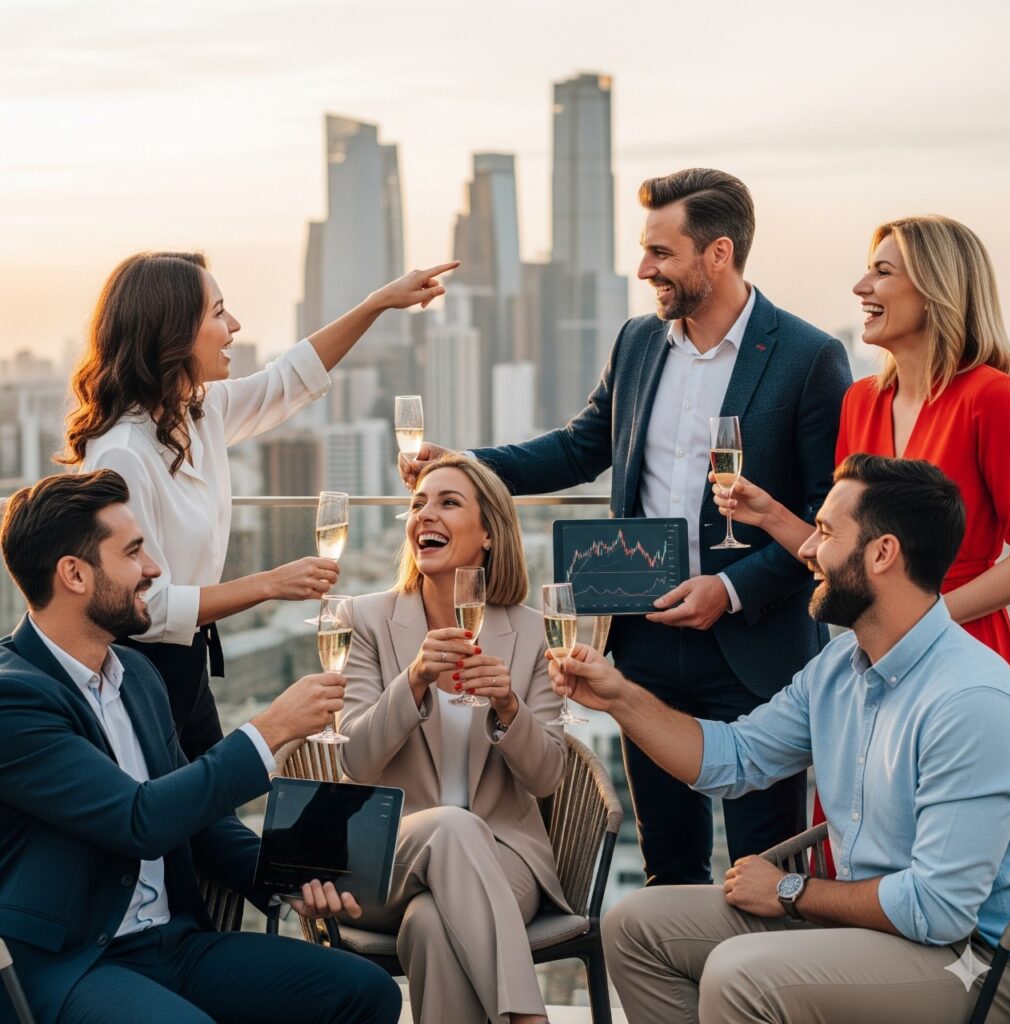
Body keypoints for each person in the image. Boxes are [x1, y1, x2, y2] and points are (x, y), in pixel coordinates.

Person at [401, 169, 852, 885]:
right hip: (641, 641)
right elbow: (581, 447)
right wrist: (463, 464)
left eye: (661, 254)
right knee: (669, 863)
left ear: (719, 254)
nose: (645, 270)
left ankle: (755, 995)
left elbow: (832, 517)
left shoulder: (808, 358)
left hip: (756, 648)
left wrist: (729, 591)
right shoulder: (639, 342)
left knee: (762, 868)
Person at [551, 454, 1010, 1023]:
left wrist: (791, 891)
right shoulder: (838, 668)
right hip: (866, 922)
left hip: (975, 963)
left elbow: (937, 909)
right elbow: (732, 759)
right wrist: (618, 698)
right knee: (635, 926)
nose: (805, 549)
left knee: (741, 974)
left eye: (825, 532)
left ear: (882, 553)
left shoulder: (970, 700)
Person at [0, 470, 402, 1024]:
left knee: (366, 991)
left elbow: (200, 822)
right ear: (75, 574)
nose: (154, 568)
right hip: (73, 964)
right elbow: (138, 819)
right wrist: (270, 730)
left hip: (172, 946)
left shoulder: (137, 675)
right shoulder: (13, 698)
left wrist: (290, 880)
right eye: (134, 552)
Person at [712, 215, 1010, 869]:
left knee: (943, 861)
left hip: (960, 653)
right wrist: (769, 514)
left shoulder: (990, 399)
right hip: (870, 661)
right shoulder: (861, 402)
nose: (861, 286)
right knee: (858, 845)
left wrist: (925, 623)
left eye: (883, 271)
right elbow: (846, 553)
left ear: (937, 288)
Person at [59, 251, 457, 760]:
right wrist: (271, 584)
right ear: (174, 333)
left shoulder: (196, 413)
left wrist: (378, 303)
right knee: (187, 817)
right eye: (218, 313)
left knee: (208, 815)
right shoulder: (121, 452)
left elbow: (287, 380)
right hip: (136, 671)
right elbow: (147, 607)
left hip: (188, 659)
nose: (235, 326)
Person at [339, 454, 568, 1024]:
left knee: (432, 927)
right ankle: (529, 1018)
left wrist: (510, 708)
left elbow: (547, 777)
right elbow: (355, 762)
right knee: (450, 825)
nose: (425, 515)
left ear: (489, 533)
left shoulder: (534, 631)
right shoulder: (367, 620)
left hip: (502, 860)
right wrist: (412, 681)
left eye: (447, 502)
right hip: (389, 858)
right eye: (418, 504)